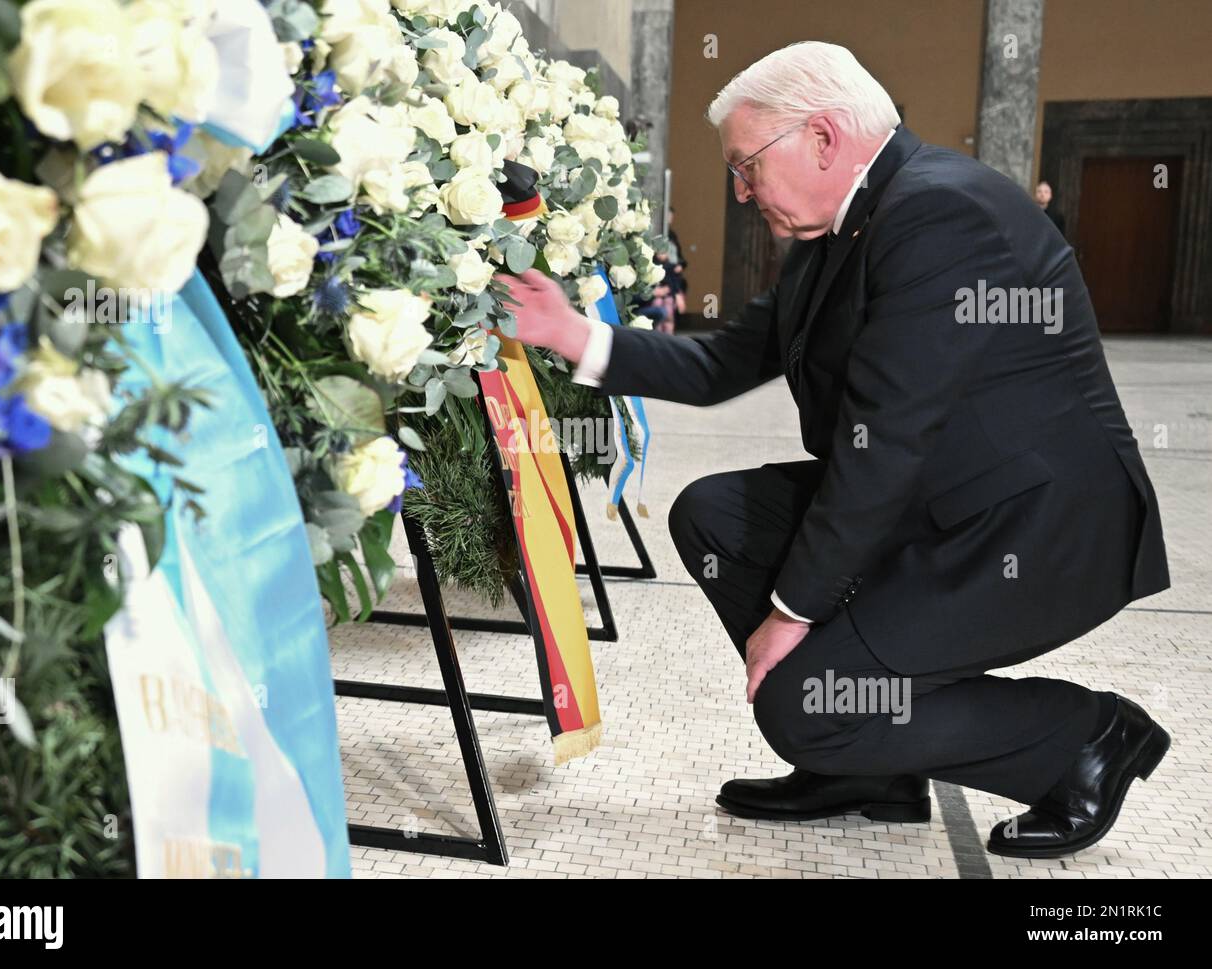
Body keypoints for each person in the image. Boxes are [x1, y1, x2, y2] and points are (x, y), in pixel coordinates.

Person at [496, 41, 1171, 859]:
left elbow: (884, 446)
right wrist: (570, 332)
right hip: (940, 502)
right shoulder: (841, 227)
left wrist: (790, 615)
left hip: (1031, 528)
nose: (741, 191)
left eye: (746, 166)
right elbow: (720, 364)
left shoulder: (939, 216)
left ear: (822, 137)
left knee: (804, 703)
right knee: (716, 516)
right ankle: (871, 767)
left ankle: (1083, 736)